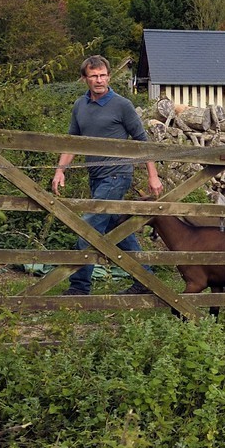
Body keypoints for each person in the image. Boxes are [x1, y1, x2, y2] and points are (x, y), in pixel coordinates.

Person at [51, 55, 164, 295]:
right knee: (118, 231)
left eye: (103, 75)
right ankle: (145, 280)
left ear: (109, 76)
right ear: (85, 79)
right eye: (93, 76)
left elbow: (142, 142)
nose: (99, 80)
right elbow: (73, 142)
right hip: (96, 177)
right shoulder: (79, 106)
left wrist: (153, 175)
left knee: (87, 228)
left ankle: (79, 288)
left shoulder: (122, 105)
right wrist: (60, 171)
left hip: (117, 176)